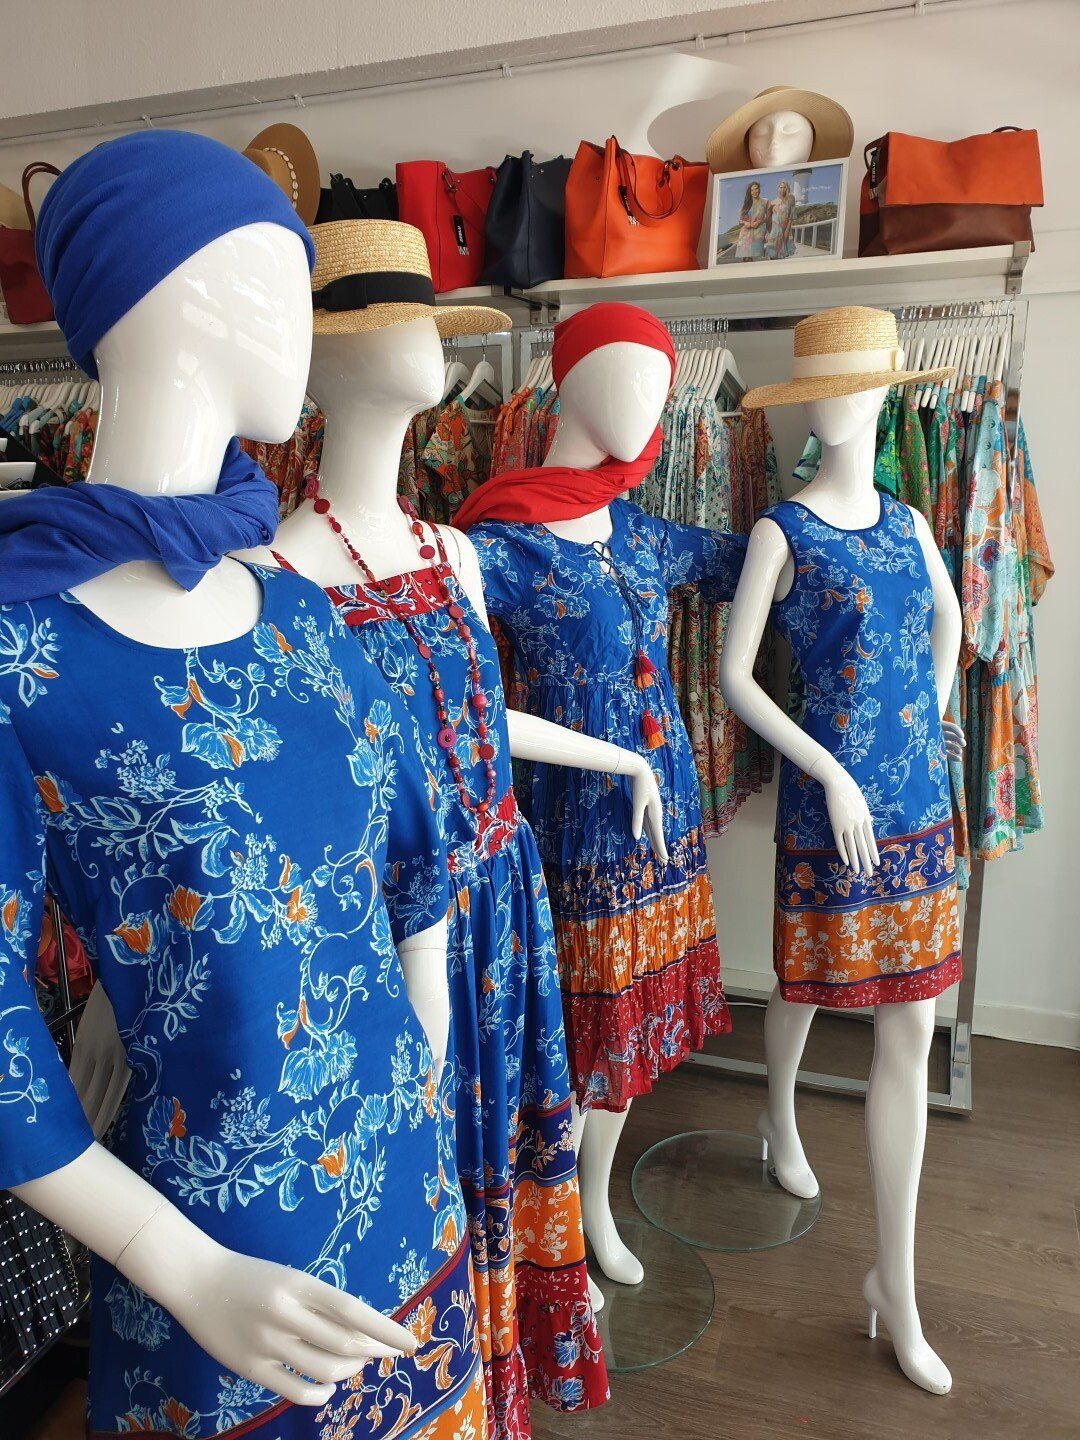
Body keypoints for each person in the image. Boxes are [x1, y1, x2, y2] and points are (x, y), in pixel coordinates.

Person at [734, 181, 766, 261]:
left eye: (756, 189)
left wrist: (759, 222)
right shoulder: (746, 204)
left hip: (758, 233)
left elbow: (767, 218)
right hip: (746, 233)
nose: (754, 191)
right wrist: (745, 222)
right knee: (746, 258)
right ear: (749, 192)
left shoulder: (764, 202)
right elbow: (740, 221)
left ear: (759, 189)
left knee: (757, 258)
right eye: (752, 190)